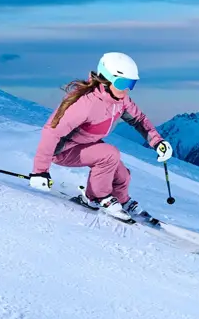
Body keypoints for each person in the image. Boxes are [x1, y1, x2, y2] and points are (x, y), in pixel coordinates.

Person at [29, 52, 173, 221]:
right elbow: (51, 132)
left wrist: (158, 142)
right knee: (109, 154)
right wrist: (40, 171)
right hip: (63, 150)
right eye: (122, 83)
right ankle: (96, 197)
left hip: (86, 144)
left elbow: (139, 120)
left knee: (122, 175)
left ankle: (121, 199)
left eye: (131, 84)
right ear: (106, 79)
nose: (127, 89)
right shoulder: (86, 103)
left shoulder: (121, 100)